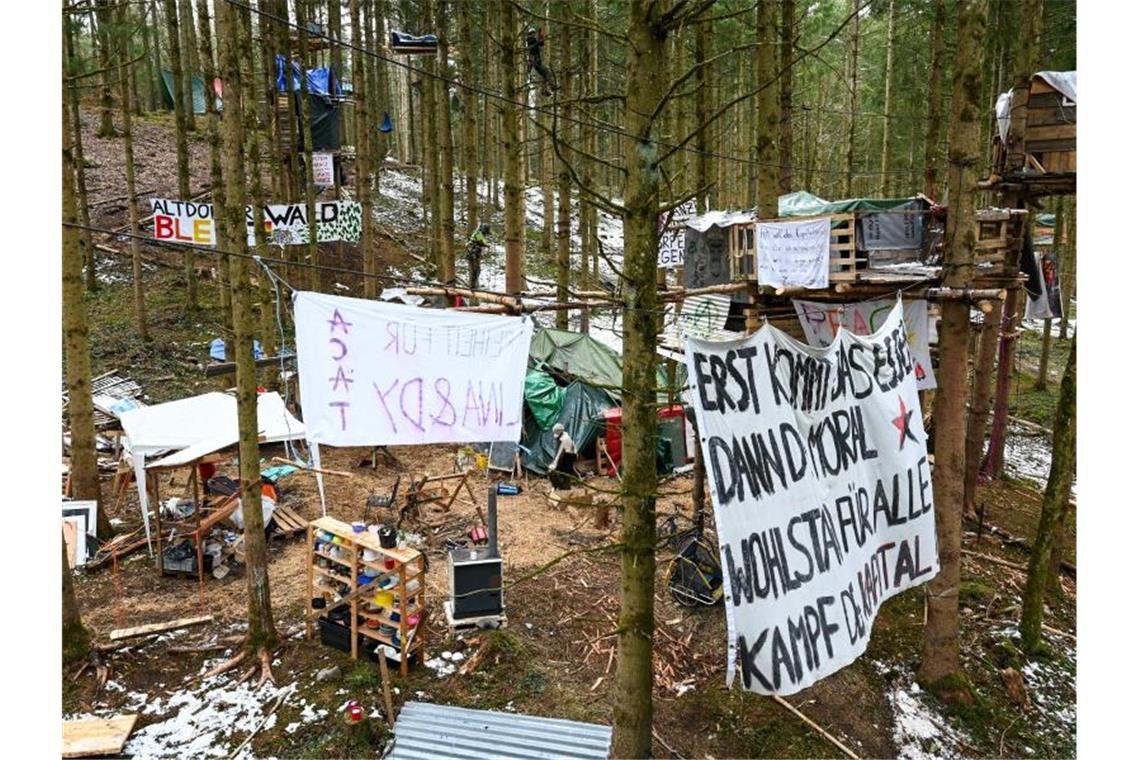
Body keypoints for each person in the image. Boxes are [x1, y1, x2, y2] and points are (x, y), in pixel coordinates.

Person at [525, 26, 555, 97]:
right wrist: (539, 37)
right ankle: (551, 87)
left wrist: (541, 37)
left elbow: (541, 44)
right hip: (536, 62)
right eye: (532, 33)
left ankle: (545, 90)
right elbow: (536, 44)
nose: (533, 34)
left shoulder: (532, 40)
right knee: (547, 73)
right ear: (530, 34)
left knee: (545, 74)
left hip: (536, 62)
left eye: (534, 33)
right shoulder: (530, 40)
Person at [547, 422, 578, 490]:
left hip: (568, 457)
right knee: (564, 474)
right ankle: (562, 487)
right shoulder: (563, 437)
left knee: (557, 473)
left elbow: (560, 454)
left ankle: (562, 487)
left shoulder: (564, 439)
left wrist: (554, 464)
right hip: (568, 457)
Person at [466, 223, 490, 290]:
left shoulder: (478, 233)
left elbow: (481, 242)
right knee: (476, 269)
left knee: (476, 269)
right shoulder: (478, 234)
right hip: (473, 252)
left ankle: (474, 285)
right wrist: (487, 245)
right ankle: (473, 285)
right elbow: (482, 242)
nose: (486, 234)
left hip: (474, 252)